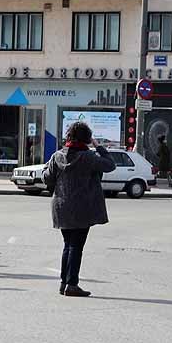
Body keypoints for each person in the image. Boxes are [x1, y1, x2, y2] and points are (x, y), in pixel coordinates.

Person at [43, 121, 116, 297]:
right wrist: (99, 147)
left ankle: (64, 283)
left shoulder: (57, 156)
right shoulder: (88, 157)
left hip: (61, 205)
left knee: (68, 245)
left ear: (68, 136)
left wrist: (56, 185)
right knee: (76, 246)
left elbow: (47, 177)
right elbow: (110, 165)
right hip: (83, 207)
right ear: (87, 138)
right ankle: (72, 284)